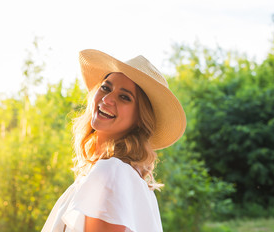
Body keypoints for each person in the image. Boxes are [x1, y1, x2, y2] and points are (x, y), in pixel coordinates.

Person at [41, 49, 186, 232]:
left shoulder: (112, 173)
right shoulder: (127, 179)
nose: (107, 99)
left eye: (124, 97)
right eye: (106, 87)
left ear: (140, 118)